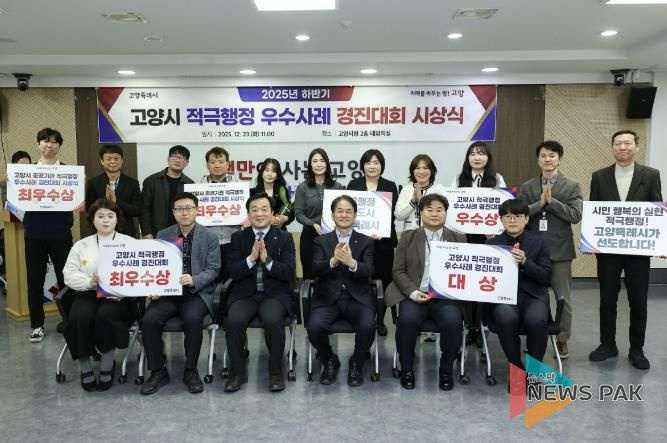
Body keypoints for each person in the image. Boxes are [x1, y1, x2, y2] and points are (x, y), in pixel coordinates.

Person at [589, 130, 662, 370]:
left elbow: (656, 210)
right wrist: (590, 240)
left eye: (627, 143)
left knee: (638, 301)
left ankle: (636, 349)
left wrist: (660, 243)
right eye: (618, 143)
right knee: (607, 299)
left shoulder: (651, 175)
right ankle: (607, 344)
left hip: (638, 251)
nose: (623, 147)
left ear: (636, 147)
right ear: (612, 147)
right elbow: (595, 212)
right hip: (608, 251)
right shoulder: (599, 176)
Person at [140, 192, 221, 395]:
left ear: (197, 210)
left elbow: (213, 269)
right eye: (179, 209)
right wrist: (154, 286)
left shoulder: (209, 237)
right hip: (168, 293)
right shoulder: (163, 234)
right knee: (149, 320)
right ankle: (157, 370)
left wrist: (195, 279)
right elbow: (155, 266)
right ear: (173, 212)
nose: (184, 213)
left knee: (193, 320)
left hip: (196, 292)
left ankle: (190, 370)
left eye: (188, 208)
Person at [385, 193, 466, 391]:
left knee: (453, 322)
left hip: (445, 298)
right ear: (421, 213)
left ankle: (446, 370)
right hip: (415, 295)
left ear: (446, 213)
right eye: (429, 210)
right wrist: (413, 292)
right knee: (407, 321)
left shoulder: (458, 238)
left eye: (439, 210)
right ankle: (407, 370)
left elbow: (465, 272)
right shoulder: (408, 237)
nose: (434, 214)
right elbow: (397, 271)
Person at [223, 192, 296, 393]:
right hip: (245, 294)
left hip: (274, 295)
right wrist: (251, 258)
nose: (259, 213)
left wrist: (267, 261)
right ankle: (237, 372)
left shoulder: (284, 237)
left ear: (272, 213)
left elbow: (289, 271)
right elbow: (232, 272)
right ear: (248, 214)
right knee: (234, 320)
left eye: (264, 209)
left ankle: (275, 372)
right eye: (254, 210)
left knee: (273, 320)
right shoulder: (238, 237)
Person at [62, 199, 136, 391]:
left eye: (110, 216)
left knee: (106, 315)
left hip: (118, 297)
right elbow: (69, 274)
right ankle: (85, 367)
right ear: (92, 220)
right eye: (100, 216)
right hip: (88, 293)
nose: (105, 220)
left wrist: (124, 292)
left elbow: (140, 276)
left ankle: (107, 364)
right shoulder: (81, 245)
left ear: (117, 219)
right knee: (79, 317)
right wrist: (90, 281)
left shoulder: (130, 243)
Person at [518, 140, 582, 359]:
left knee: (563, 297)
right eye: (543, 156)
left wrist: (552, 201)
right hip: (532, 251)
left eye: (552, 156)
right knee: (534, 297)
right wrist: (539, 205)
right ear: (538, 159)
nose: (547, 159)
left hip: (560, 251)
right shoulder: (527, 187)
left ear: (559, 159)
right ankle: (536, 339)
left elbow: (575, 215)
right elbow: (519, 214)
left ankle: (562, 339)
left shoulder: (572, 185)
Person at [306, 195, 375, 387]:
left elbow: (369, 270)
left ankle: (357, 363)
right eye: (340, 211)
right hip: (328, 297)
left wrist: (352, 263)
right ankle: (329, 359)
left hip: (357, 298)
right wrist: (334, 261)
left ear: (355, 215)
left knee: (368, 326)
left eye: (348, 211)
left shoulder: (366, 241)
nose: (344, 215)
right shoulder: (321, 241)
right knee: (314, 327)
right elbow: (315, 268)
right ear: (332, 215)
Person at [486, 199, 552, 378]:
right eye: (507, 216)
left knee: (536, 320)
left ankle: (534, 371)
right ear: (501, 220)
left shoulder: (539, 243)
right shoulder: (491, 245)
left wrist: (525, 262)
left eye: (517, 216)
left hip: (533, 296)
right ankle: (516, 368)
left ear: (527, 219)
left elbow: (546, 277)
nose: (512, 220)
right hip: (504, 298)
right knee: (505, 317)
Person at [451, 142, 506, 347]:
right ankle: (469, 327)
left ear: (488, 158)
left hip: (487, 238)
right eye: (473, 154)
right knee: (466, 283)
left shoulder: (497, 178)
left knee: (483, 282)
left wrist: (495, 227)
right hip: (465, 237)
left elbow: (503, 206)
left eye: (481, 154)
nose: (477, 157)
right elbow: (452, 206)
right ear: (467, 158)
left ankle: (483, 327)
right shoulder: (459, 178)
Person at [23, 128, 73, 343]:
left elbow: (76, 201)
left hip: (60, 232)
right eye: (45, 141)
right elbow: (16, 201)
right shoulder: (27, 172)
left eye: (54, 142)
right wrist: (10, 184)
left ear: (59, 146)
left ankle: (70, 322)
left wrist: (79, 185)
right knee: (35, 282)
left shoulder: (69, 172)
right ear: (38, 144)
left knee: (66, 280)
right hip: (34, 233)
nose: (49, 145)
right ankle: (37, 325)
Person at [395, 153, 448, 342]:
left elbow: (444, 213)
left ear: (432, 170)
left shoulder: (439, 189)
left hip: (435, 240)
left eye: (426, 167)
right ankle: (414, 319)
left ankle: (430, 326)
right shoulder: (406, 189)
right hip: (410, 241)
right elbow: (399, 215)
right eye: (417, 168)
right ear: (412, 171)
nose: (421, 171)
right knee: (412, 276)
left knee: (432, 276)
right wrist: (414, 201)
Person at [347, 149, 398, 336]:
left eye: (376, 163)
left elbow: (391, 215)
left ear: (381, 166)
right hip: (358, 242)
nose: (372, 166)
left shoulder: (390, 186)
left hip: (383, 243)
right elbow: (348, 212)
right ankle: (362, 316)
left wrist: (381, 230)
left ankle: (380, 320)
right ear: (362, 166)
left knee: (383, 280)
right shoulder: (354, 185)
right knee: (361, 278)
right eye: (368, 163)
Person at [294, 148, 343, 279]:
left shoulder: (337, 187)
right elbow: (298, 214)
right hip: (309, 236)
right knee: (309, 275)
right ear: (310, 165)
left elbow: (343, 212)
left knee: (331, 275)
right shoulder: (302, 188)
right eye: (315, 161)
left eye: (322, 160)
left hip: (332, 236)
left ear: (327, 164)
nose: (319, 164)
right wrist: (313, 224)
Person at [200, 146, 241, 279]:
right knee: (210, 278)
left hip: (232, 238)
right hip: (208, 241)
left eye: (221, 162)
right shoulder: (198, 187)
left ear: (228, 164)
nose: (217, 165)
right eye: (212, 162)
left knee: (232, 278)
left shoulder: (239, 186)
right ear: (207, 165)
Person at [85, 145, 142, 238]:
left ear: (122, 160)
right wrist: (106, 201)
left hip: (126, 233)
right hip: (101, 233)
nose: (112, 162)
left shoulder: (132, 183)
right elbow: (90, 210)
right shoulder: (94, 182)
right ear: (102, 161)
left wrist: (116, 201)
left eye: (116, 158)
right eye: (108, 159)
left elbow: (136, 210)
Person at [140, 145, 194, 239]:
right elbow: (144, 209)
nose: (177, 160)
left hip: (182, 234)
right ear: (168, 159)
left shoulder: (190, 184)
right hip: (156, 233)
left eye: (181, 158)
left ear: (187, 163)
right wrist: (147, 233)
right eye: (174, 157)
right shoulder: (151, 181)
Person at [250, 158, 294, 231]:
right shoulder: (252, 193)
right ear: (262, 173)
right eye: (267, 170)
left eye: (273, 171)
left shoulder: (282, 190)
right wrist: (269, 219)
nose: (269, 174)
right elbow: (249, 215)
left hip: (279, 232)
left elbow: (291, 212)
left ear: (277, 175)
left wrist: (285, 218)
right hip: (258, 232)